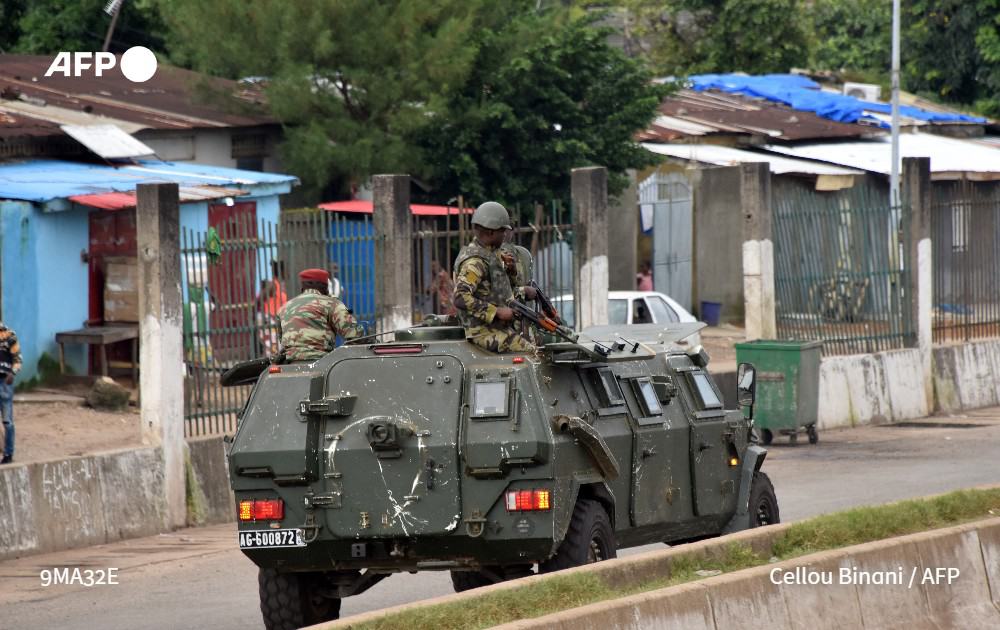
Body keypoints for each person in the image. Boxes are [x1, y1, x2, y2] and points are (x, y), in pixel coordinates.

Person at [452, 201, 538, 353]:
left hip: (499, 328)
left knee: (537, 343)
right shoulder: (475, 262)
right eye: (502, 231)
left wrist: (510, 270)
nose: (505, 235)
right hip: (482, 332)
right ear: (491, 233)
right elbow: (460, 297)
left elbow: (502, 290)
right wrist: (496, 312)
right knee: (532, 355)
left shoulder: (492, 254)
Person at [277, 268, 364, 362]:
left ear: (302, 287)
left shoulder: (283, 308)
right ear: (325, 287)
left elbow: (282, 340)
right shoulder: (331, 304)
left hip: (290, 363)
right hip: (322, 362)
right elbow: (354, 335)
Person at [0, 321, 21, 464]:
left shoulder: (9, 335)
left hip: (4, 381)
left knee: (7, 421)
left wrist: (12, 373)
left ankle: (8, 454)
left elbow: (18, 359)